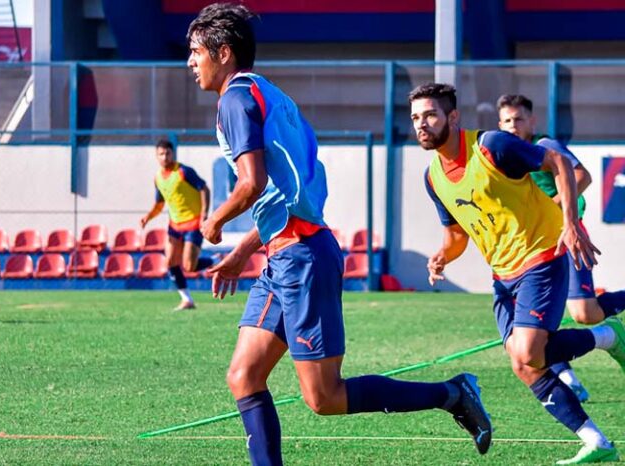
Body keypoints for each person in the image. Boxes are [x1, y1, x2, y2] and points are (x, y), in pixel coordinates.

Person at [187, 5, 493, 465]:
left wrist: (214, 222)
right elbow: (282, 191)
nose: (191, 62)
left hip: (302, 258)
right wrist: (244, 252)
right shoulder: (268, 94)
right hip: (285, 254)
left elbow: (250, 185)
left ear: (223, 53)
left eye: (195, 52)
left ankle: (452, 394)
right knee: (244, 376)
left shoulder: (234, 99)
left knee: (324, 397)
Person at [410, 82, 625, 465]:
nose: (421, 124)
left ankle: (608, 335)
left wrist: (570, 223)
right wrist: (443, 255)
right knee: (523, 364)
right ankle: (597, 441)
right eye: (415, 118)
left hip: (541, 256)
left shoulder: (493, 145)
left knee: (529, 350)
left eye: (430, 114)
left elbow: (557, 162)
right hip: (503, 274)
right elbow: (457, 233)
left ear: (452, 117)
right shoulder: (433, 178)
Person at [497, 93, 625, 403]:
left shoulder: (545, 146)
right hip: (530, 247)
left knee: (585, 312)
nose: (513, 126)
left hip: (564, 235)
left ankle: (612, 335)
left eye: (519, 119)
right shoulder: (505, 156)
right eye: (506, 121)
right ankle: (567, 377)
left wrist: (552, 212)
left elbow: (582, 176)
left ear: (533, 121)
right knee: (535, 325)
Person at [140, 139, 213, 310]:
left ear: (172, 154)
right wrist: (147, 217)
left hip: (194, 223)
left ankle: (213, 260)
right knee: (171, 262)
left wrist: (204, 215)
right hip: (175, 226)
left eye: (167, 153)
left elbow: (204, 189)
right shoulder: (158, 178)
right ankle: (186, 299)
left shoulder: (183, 171)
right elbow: (159, 204)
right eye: (161, 154)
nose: (165, 157)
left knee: (189, 266)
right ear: (156, 156)